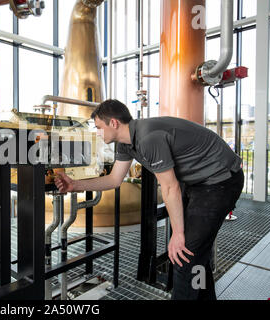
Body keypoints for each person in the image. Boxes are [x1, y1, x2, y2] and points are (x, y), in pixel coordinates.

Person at [55, 99, 244, 300]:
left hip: (221, 180)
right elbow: (114, 179)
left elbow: (170, 188)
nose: (98, 133)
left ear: (114, 123)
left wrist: (178, 233)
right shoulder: (125, 144)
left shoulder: (148, 138)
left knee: (183, 255)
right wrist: (75, 185)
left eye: (99, 127)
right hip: (198, 183)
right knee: (196, 254)